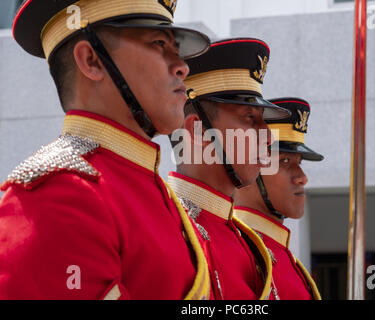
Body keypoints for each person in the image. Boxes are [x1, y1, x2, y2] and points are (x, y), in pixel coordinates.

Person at [0, 0, 211, 300]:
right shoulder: (58, 195)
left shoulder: (158, 194)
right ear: (91, 60)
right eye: (159, 43)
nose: (182, 66)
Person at [167, 38, 291, 300]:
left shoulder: (250, 243)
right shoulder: (164, 229)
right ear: (198, 129)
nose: (269, 137)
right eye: (250, 118)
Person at [234, 98, 323, 300]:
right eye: (284, 161)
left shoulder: (279, 253)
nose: (302, 177)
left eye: (299, 162)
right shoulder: (240, 254)